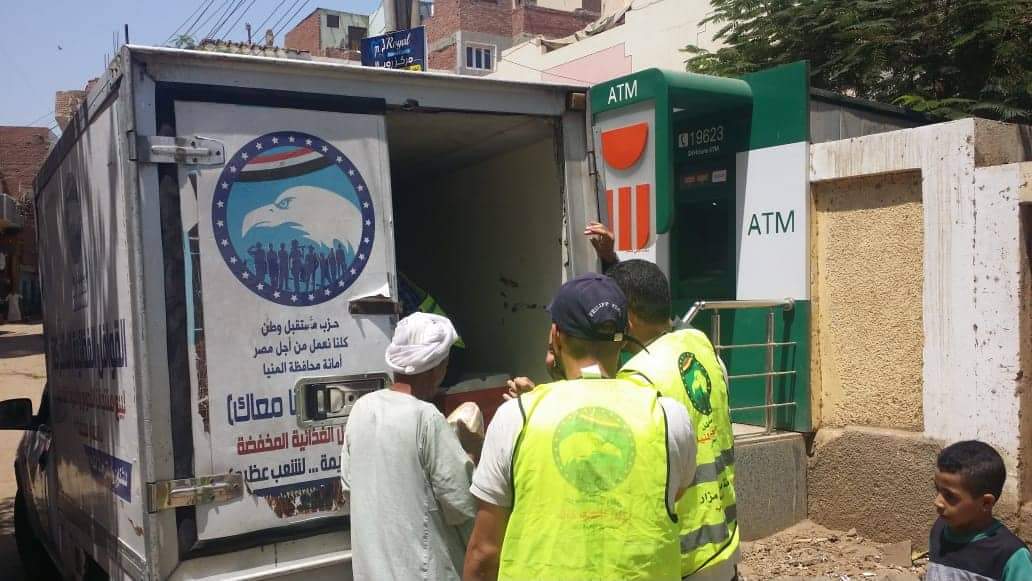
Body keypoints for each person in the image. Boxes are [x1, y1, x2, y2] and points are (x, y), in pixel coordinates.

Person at [464, 273, 696, 581]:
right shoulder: (670, 417)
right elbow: (673, 494)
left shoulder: (516, 417)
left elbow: (484, 555)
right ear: (625, 336)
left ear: (555, 335)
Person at [610, 259, 740, 581]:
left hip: (679, 554)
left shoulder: (637, 377)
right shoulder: (700, 343)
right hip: (723, 538)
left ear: (627, 318)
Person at [340, 312, 475, 581]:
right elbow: (463, 504)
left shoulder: (362, 409)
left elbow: (348, 487)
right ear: (438, 367)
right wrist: (472, 452)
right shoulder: (427, 418)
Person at [928, 440, 1032, 580]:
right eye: (937, 490)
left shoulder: (1010, 555)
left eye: (950, 496)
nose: (937, 502)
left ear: (986, 503)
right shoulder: (939, 530)